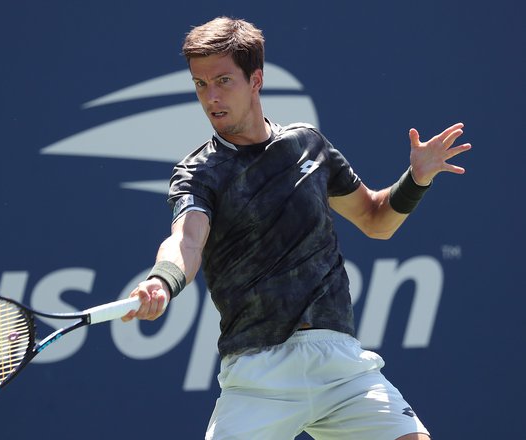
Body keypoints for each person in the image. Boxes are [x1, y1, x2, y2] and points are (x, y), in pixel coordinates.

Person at [122, 16, 471, 440]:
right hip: (257, 375)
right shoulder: (198, 172)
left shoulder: (308, 145)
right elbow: (187, 240)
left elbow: (376, 220)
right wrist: (164, 279)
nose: (210, 97)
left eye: (223, 81)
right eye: (200, 84)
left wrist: (415, 179)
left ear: (256, 80)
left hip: (340, 367)